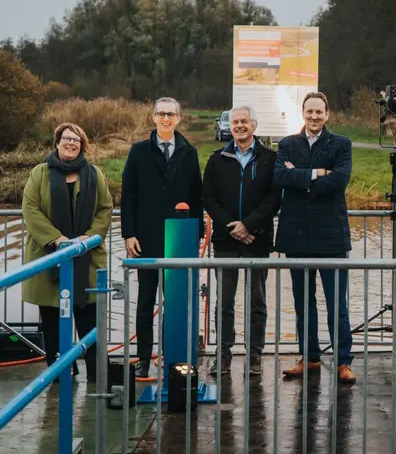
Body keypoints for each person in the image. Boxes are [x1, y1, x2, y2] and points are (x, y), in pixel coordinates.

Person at [274, 91, 356, 384]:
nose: (314, 117)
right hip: (297, 236)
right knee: (302, 302)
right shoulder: (287, 144)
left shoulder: (341, 144)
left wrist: (302, 179)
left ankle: (344, 360)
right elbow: (279, 177)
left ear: (327, 114)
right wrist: (317, 173)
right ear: (303, 113)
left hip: (331, 236)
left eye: (319, 112)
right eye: (309, 112)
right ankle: (309, 357)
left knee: (337, 303)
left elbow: (340, 179)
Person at [22, 122, 113, 382]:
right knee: (52, 325)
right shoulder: (39, 173)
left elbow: (105, 209)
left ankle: (98, 376)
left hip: (87, 259)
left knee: (89, 324)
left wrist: (88, 238)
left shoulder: (95, 174)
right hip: (49, 258)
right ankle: (62, 375)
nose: (71, 143)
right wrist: (58, 239)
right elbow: (30, 209)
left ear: (82, 145)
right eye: (66, 139)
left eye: (76, 140)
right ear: (57, 143)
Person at [120, 97, 204, 378]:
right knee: (145, 303)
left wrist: (196, 236)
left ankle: (171, 356)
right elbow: (128, 195)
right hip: (146, 239)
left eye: (171, 114)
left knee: (175, 302)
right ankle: (143, 357)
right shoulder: (138, 151)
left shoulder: (188, 153)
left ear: (179, 118)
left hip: (179, 240)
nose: (166, 118)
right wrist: (129, 233)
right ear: (153, 118)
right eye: (161, 114)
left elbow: (196, 196)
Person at [202, 106, 281, 375]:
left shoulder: (270, 158)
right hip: (225, 241)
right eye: (235, 122)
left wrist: (249, 226)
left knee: (257, 301)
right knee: (224, 302)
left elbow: (273, 198)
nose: (239, 126)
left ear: (254, 125)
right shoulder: (217, 159)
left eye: (244, 121)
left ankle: (255, 355)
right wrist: (232, 227)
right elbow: (209, 198)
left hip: (257, 240)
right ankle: (223, 354)